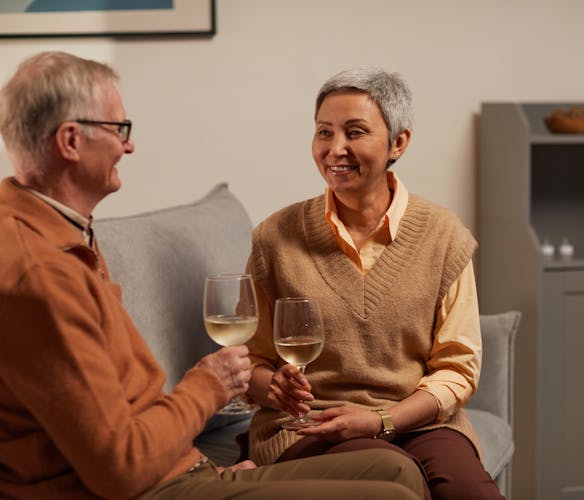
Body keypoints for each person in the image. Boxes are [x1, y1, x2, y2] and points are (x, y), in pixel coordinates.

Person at [0, 52, 426, 500]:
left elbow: (122, 407)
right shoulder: (37, 272)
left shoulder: (64, 226)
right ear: (70, 141)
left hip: (177, 470)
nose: (129, 147)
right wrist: (209, 386)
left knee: (398, 469)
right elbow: (120, 469)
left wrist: (203, 465)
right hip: (142, 491)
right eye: (119, 130)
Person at [244, 67, 504, 500]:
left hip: (420, 420)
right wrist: (271, 385)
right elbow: (250, 359)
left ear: (398, 142)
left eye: (354, 132)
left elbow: (456, 369)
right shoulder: (276, 237)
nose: (335, 149)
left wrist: (385, 420)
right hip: (312, 425)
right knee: (397, 482)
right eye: (324, 132)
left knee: (470, 492)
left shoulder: (443, 234)